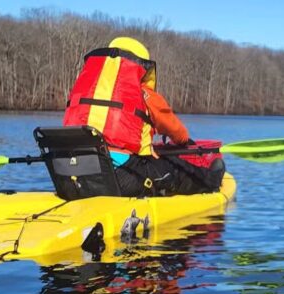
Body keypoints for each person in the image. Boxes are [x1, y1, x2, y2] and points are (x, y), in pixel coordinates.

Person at [63, 36, 225, 197]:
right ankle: (211, 181)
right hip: (120, 176)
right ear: (140, 66)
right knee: (175, 170)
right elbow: (176, 130)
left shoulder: (82, 89)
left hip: (71, 174)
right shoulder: (143, 93)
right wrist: (183, 141)